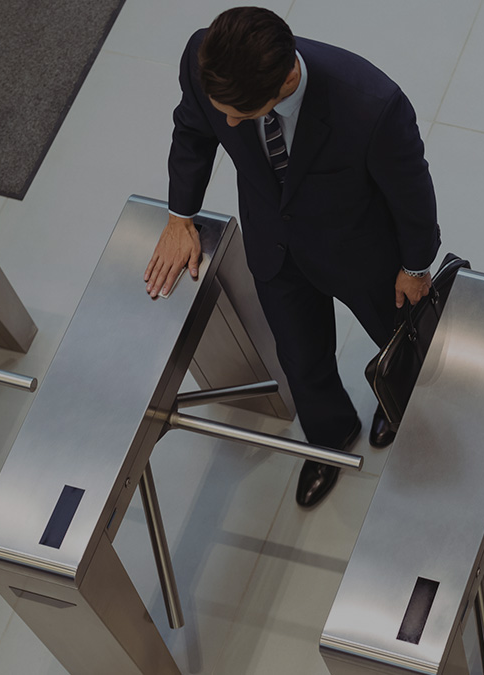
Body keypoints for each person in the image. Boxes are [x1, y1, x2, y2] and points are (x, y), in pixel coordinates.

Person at [149, 7, 440, 508]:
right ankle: (330, 438)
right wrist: (180, 215)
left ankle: (398, 408)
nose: (231, 123)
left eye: (243, 114)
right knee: (301, 358)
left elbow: (412, 194)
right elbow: (194, 130)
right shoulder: (207, 62)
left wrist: (415, 266)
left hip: (363, 252)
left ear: (286, 82)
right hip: (275, 247)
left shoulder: (372, 104)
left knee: (400, 346)